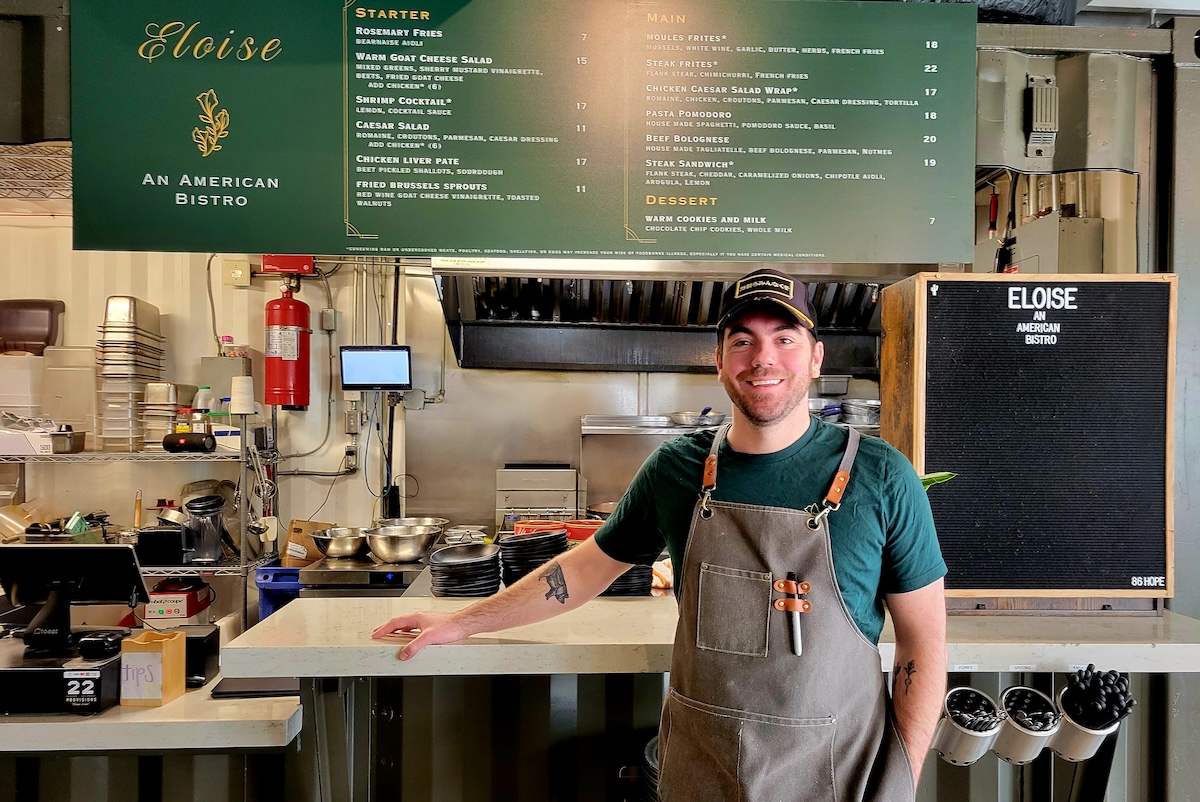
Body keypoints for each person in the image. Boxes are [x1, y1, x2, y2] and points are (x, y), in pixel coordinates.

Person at [373, 267, 947, 801]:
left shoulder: (882, 477)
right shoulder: (677, 470)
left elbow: (923, 647)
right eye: (742, 340)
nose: (763, 358)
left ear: (816, 357)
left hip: (836, 775)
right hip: (701, 772)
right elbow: (581, 571)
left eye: (785, 338)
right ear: (719, 361)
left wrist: (899, 785)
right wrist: (461, 621)